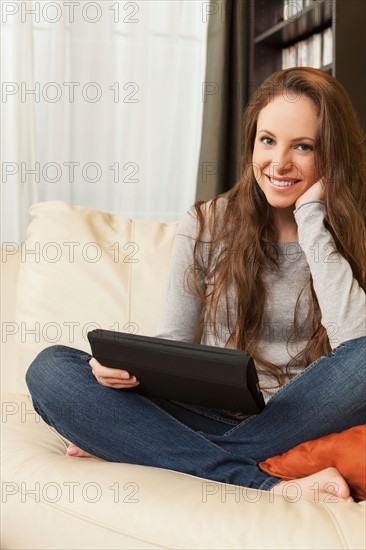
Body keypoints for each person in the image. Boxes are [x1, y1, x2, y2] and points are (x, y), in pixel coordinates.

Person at [26, 67, 366, 503]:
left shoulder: (346, 234)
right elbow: (173, 345)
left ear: (333, 155)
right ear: (251, 142)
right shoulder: (206, 223)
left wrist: (312, 220)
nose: (278, 163)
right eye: (268, 141)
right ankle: (262, 482)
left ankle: (143, 447)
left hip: (301, 417)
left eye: (303, 147)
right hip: (208, 412)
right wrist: (128, 375)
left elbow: (356, 344)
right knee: (51, 369)